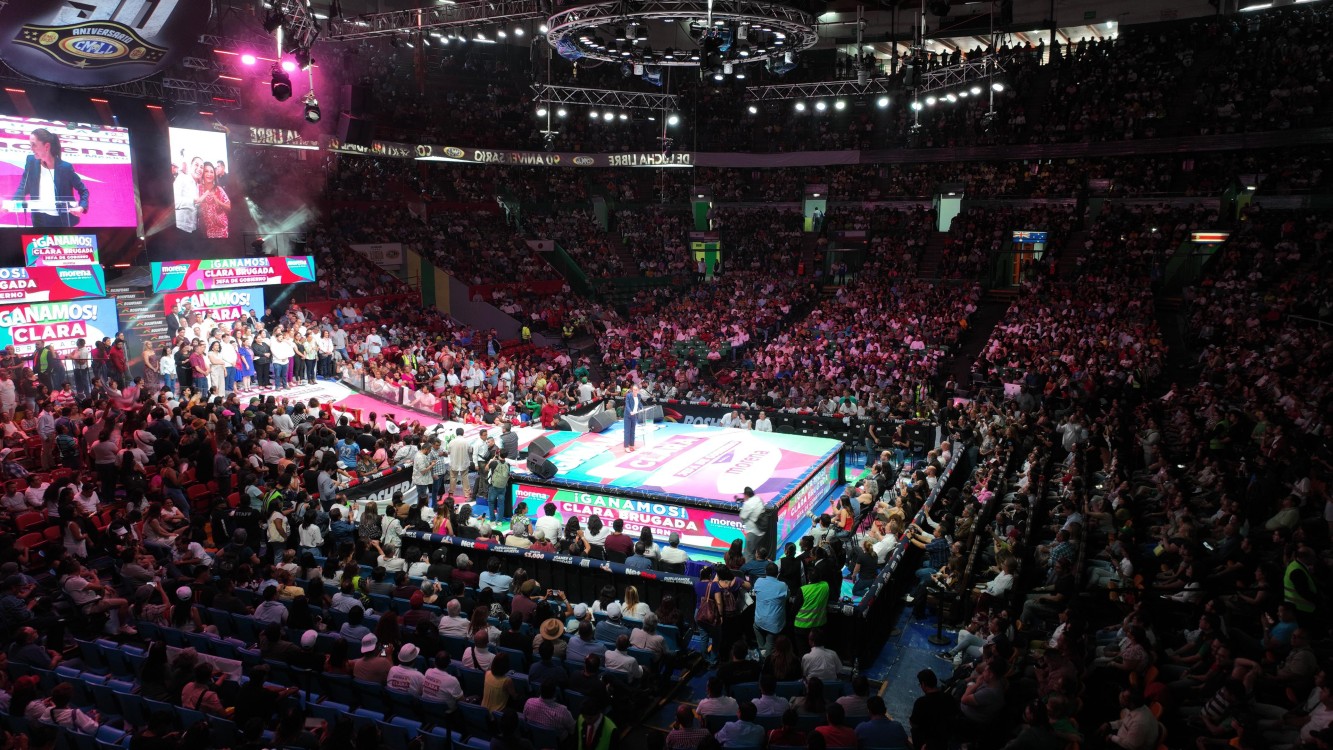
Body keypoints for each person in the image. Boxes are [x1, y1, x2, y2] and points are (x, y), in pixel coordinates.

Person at [11, 128, 90, 227]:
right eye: (30, 145)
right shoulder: (31, 161)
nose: (31, 148)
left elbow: (84, 191)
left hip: (61, 221)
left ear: (47, 146)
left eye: (34, 145)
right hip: (38, 219)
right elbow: (23, 187)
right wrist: (11, 204)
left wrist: (81, 207)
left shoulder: (65, 168)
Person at [910, 669, 955, 750]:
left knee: (914, 730)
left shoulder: (921, 702)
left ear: (923, 684)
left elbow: (914, 724)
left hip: (929, 741)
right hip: (946, 736)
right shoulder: (949, 697)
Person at [623, 383, 641, 452]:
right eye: (633, 390)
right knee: (627, 431)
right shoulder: (628, 396)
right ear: (632, 390)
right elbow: (627, 405)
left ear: (638, 390)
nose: (635, 391)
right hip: (628, 415)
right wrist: (630, 411)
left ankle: (632, 445)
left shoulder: (639, 396)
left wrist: (642, 408)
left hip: (634, 415)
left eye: (636, 390)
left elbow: (638, 403)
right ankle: (626, 446)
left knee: (633, 431)